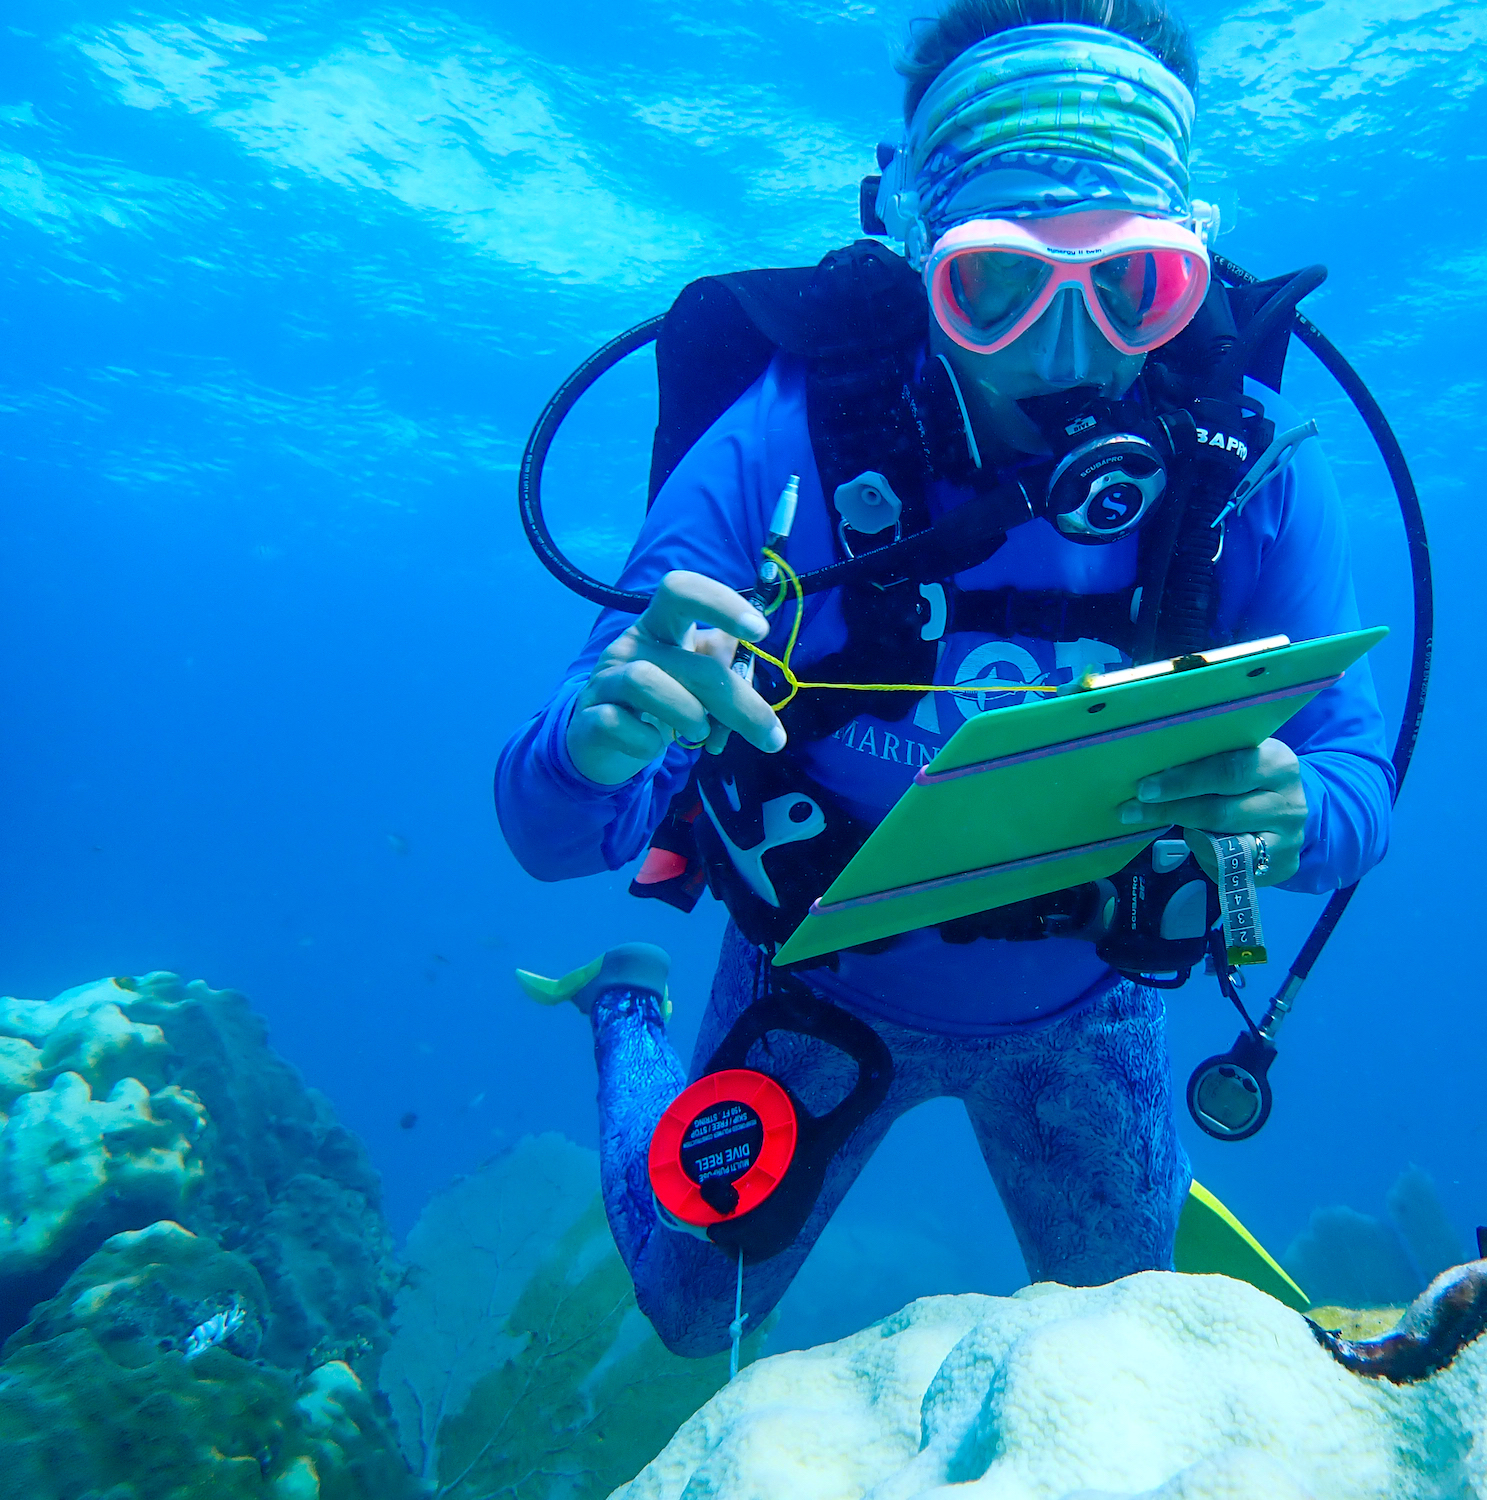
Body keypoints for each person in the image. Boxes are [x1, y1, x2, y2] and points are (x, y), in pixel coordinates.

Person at [496, 0, 1394, 1357]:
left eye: (1133, 284)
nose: (1070, 348)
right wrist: (600, 742)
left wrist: (1295, 815)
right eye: (999, 284)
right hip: (816, 980)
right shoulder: (775, 449)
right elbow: (545, 828)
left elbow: (1356, 798)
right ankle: (631, 1010)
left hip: (1086, 1010)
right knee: (688, 1310)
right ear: (921, 263)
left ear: (1190, 267)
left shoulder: (1253, 472)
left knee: (1122, 1356)